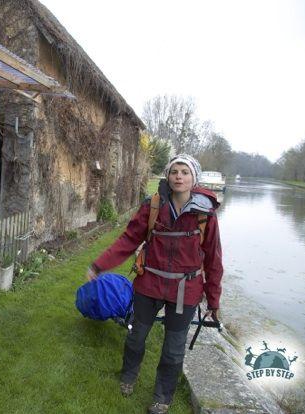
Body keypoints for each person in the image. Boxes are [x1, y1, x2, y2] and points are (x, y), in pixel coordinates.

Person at [87, 154, 223, 414]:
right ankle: (128, 375)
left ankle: (161, 398)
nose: (179, 176)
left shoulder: (205, 215)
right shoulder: (154, 205)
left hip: (186, 291)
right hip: (149, 284)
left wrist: (213, 300)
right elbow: (128, 240)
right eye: (174, 171)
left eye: (185, 172)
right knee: (136, 336)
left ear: (194, 178)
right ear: (168, 175)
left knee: (173, 350)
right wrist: (99, 265)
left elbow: (214, 259)